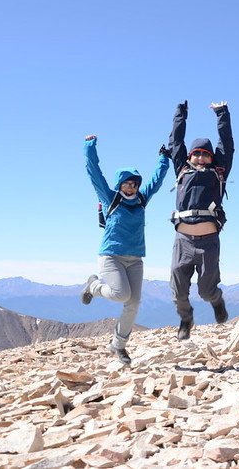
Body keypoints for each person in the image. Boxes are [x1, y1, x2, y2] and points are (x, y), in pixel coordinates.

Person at [80, 135, 170, 365]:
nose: (131, 187)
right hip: (111, 256)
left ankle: (118, 345)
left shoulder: (141, 199)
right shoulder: (110, 198)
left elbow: (157, 181)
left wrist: (163, 159)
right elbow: (94, 173)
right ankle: (93, 285)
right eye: (127, 183)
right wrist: (90, 146)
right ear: (119, 184)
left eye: (134, 184)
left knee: (134, 303)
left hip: (135, 259)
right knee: (122, 294)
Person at [168, 100, 234, 340]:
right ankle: (186, 319)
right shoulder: (181, 170)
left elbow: (226, 145)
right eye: (197, 154)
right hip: (183, 240)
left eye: (206, 154)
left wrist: (222, 114)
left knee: (206, 290)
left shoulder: (219, 172)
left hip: (208, 242)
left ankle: (216, 300)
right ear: (189, 156)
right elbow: (175, 142)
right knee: (177, 289)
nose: (201, 158)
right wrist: (180, 115)